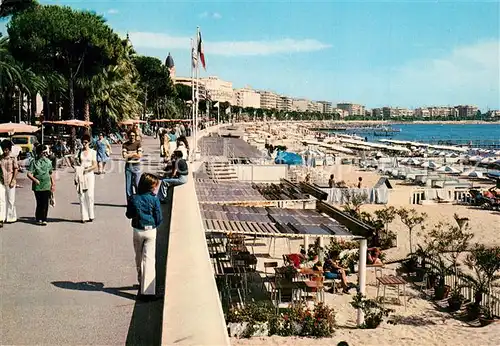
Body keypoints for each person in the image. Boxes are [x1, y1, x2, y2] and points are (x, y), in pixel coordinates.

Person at [126, 173, 163, 300]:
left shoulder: (134, 198)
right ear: (150, 186)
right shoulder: (154, 199)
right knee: (149, 259)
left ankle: (141, 281)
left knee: (138, 257)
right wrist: (153, 225)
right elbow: (159, 218)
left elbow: (129, 215)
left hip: (137, 230)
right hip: (150, 230)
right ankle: (148, 291)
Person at [27, 145, 55, 226]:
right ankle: (38, 218)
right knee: (39, 203)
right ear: (38, 153)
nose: (43, 154)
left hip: (46, 184)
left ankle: (44, 219)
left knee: (45, 203)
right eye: (42, 152)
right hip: (37, 186)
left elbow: (51, 173)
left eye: (44, 152)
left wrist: (53, 184)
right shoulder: (34, 162)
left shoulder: (48, 162)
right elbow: (29, 173)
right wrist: (35, 180)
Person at [74, 134, 97, 223]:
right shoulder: (79, 152)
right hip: (81, 175)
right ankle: (84, 216)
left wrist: (87, 169)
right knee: (82, 195)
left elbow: (94, 165)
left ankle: (91, 215)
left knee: (90, 195)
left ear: (89, 143)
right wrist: (78, 168)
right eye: (83, 142)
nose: (84, 144)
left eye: (86, 142)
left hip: (89, 174)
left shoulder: (93, 152)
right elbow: (75, 162)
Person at [0, 140, 19, 226]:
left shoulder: (13, 157)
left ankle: (11, 217)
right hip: (1, 180)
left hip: (10, 180)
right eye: (4, 149)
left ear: (9, 149)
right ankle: (1, 218)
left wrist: (14, 180)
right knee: (1, 200)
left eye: (6, 149)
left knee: (11, 200)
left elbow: (16, 169)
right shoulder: (0, 158)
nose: (5, 151)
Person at [122, 130, 143, 199]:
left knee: (137, 184)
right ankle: (130, 201)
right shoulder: (125, 144)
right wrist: (134, 154)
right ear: (128, 136)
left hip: (136, 165)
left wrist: (129, 154)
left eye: (133, 136)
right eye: (131, 136)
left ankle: (138, 200)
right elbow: (124, 155)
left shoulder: (138, 143)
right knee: (128, 185)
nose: (132, 137)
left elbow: (139, 155)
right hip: (128, 166)